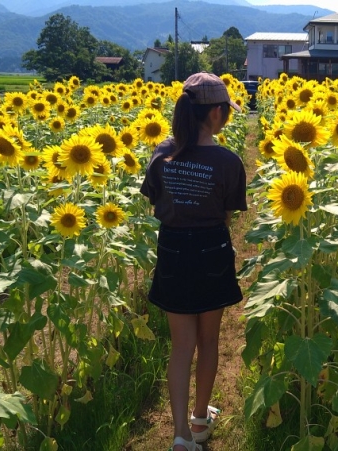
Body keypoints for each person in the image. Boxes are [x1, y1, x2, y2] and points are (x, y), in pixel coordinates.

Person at [140, 72, 247, 451]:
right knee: (209, 341)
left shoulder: (162, 153)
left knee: (181, 347)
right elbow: (228, 215)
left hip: (172, 250)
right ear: (216, 113)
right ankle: (200, 419)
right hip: (210, 249)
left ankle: (180, 435)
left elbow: (154, 199)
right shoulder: (227, 161)